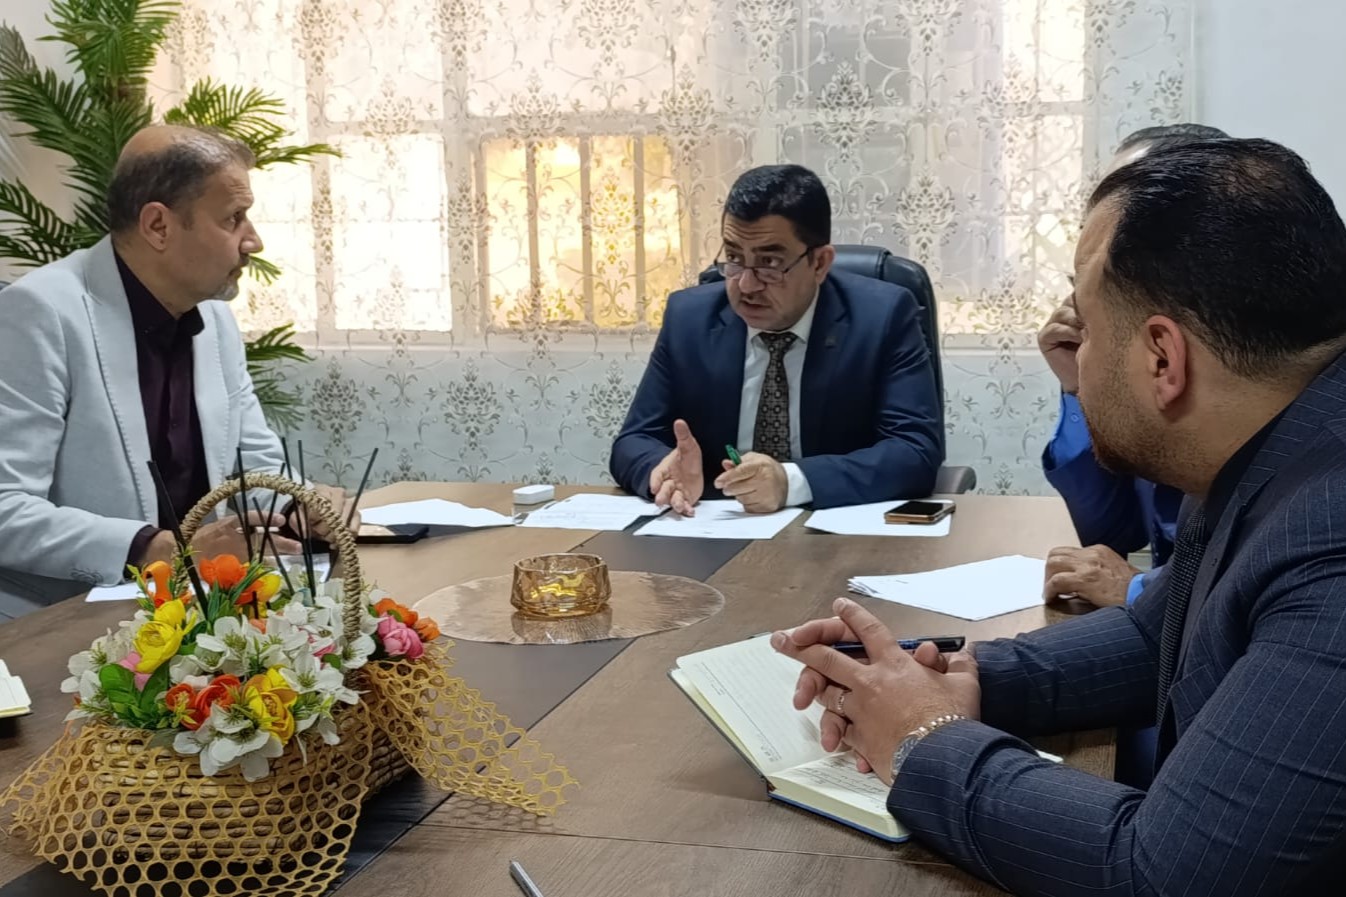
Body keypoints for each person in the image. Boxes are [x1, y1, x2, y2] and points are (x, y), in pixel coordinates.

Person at [773, 138, 1346, 894]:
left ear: (1163, 359)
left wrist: (921, 737)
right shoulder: (1274, 440)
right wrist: (958, 678)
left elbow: (1161, 874)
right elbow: (1157, 636)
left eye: (1088, 324)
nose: (1075, 356)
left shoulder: (1329, 542)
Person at [0, 125, 353, 613]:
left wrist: (299, 505)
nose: (253, 241)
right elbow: (6, 506)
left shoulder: (214, 317)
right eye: (233, 218)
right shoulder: (39, 312)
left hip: (198, 611)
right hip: (64, 620)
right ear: (158, 226)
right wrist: (159, 548)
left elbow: (254, 462)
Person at [609, 164, 943, 515]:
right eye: (734, 258)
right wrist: (660, 470)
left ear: (820, 263)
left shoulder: (882, 316)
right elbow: (634, 440)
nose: (746, 285)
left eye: (769, 263)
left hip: (830, 530)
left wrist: (790, 481)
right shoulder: (689, 318)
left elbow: (914, 451)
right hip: (716, 525)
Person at [1040, 123, 1228, 609]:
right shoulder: (1135, 355)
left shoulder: (1236, 365)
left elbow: (1253, 577)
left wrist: (1139, 589)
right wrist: (1081, 388)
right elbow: (1110, 530)